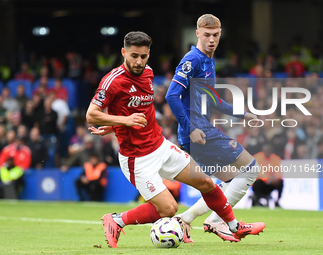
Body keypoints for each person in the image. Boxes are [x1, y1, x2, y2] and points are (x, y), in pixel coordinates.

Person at [86, 31, 263, 248]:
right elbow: (91, 114)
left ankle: (234, 226)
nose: (139, 61)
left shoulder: (148, 73)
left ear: (148, 54)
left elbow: (140, 110)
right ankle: (116, 220)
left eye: (143, 56)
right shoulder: (112, 80)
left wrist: (116, 124)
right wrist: (122, 121)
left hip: (160, 146)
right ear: (123, 53)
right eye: (133, 56)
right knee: (169, 209)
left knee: (206, 182)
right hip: (137, 158)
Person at [165, 14, 265, 243]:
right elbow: (172, 96)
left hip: (200, 130)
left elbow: (213, 101)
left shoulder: (209, 61)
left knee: (227, 181)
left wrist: (243, 113)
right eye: (207, 34)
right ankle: (218, 221)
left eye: (216, 35)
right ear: (198, 34)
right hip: (199, 131)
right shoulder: (193, 60)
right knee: (250, 168)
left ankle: (185, 219)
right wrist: (190, 128)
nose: (212, 39)